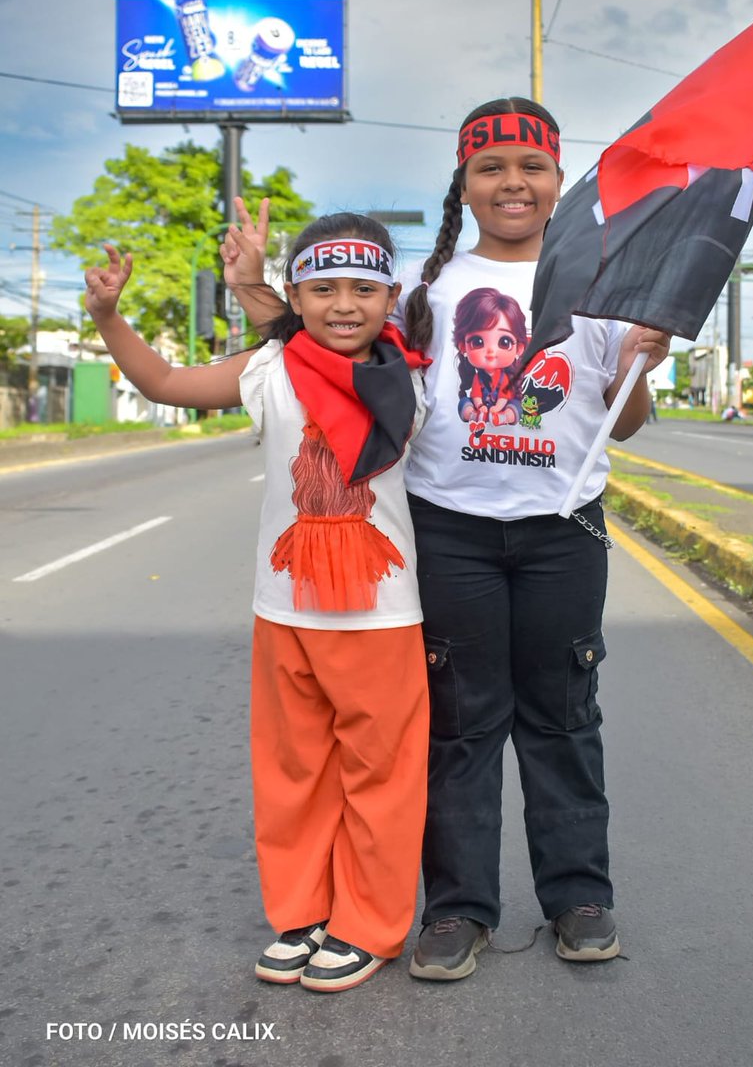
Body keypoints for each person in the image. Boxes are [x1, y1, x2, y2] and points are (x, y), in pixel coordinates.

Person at [225, 97, 670, 983]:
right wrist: (251, 290)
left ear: (559, 182)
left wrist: (636, 366)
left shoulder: (600, 288)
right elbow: (330, 339)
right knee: (460, 726)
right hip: (450, 533)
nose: (512, 182)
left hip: (562, 532)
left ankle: (579, 898)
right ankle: (459, 908)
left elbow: (621, 423)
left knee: (563, 717)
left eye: (531, 167)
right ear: (463, 186)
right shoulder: (425, 291)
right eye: (489, 168)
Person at [85, 214, 430, 994]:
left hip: (381, 618)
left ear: (392, 298)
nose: (344, 304)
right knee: (291, 774)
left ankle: (367, 924)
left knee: (380, 778)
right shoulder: (271, 367)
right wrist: (109, 316)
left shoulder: (416, 378)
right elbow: (165, 382)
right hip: (285, 611)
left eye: (364, 288)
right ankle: (302, 913)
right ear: (295, 298)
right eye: (323, 288)